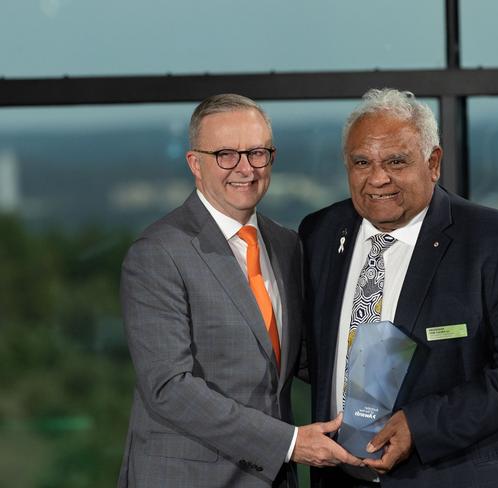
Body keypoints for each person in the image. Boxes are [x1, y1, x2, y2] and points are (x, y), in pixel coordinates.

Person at [299, 88, 498, 488]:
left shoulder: (497, 240)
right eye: (362, 162)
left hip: (461, 474)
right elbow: (313, 354)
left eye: (396, 161)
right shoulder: (319, 233)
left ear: (434, 163)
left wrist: (421, 426)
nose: (377, 178)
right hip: (341, 476)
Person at [118, 94, 361, 488]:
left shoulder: (285, 244)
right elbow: (169, 388)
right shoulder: (158, 253)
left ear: (272, 158)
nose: (245, 169)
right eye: (226, 155)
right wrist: (291, 442)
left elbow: (298, 357)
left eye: (256, 153)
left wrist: (388, 375)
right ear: (195, 164)